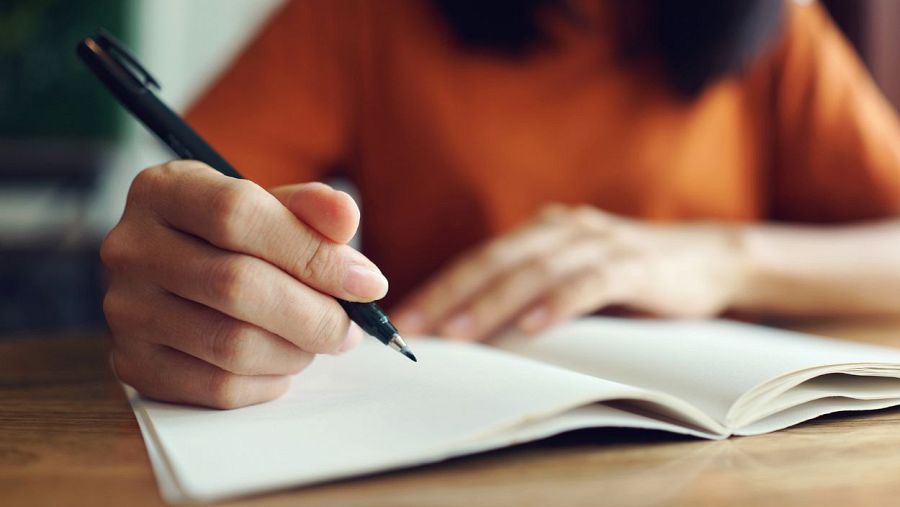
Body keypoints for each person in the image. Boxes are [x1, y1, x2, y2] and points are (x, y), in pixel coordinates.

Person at [101, 0, 900, 409]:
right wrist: (195, 269)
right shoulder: (359, 15)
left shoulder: (779, 28)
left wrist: (725, 257)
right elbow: (211, 199)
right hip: (424, 444)